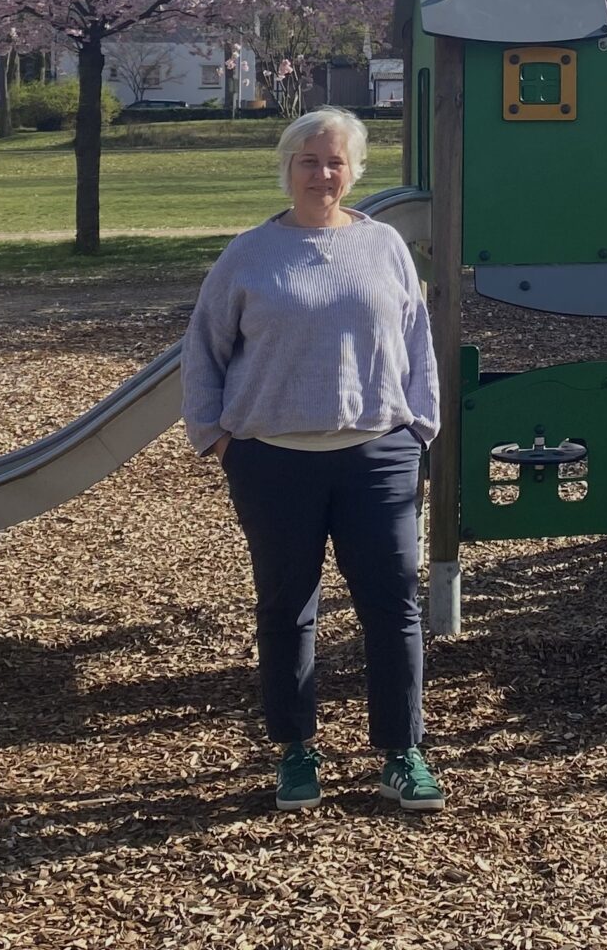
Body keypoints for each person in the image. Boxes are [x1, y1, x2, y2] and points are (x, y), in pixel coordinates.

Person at [182, 106, 444, 812]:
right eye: (309, 161)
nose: (322, 174)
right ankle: (296, 749)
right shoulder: (249, 253)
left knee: (393, 605)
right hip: (273, 461)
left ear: (354, 171)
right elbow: (203, 350)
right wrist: (218, 438)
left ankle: (402, 752)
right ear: (287, 169)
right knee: (286, 606)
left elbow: (417, 341)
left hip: (377, 455)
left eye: (335, 162)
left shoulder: (384, 246)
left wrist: (419, 430)